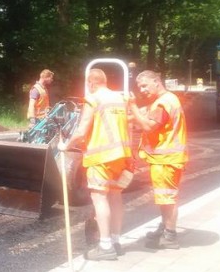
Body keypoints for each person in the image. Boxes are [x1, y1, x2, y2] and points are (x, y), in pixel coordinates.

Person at [58, 68, 133, 260]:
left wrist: (66, 145)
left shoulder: (93, 99)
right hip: (121, 155)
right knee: (116, 197)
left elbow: (82, 130)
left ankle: (105, 246)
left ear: (91, 82)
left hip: (101, 156)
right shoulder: (120, 99)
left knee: (100, 199)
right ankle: (115, 241)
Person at [127, 70, 188, 249]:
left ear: (156, 81)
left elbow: (147, 125)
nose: (142, 90)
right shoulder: (162, 101)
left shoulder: (163, 103)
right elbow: (140, 118)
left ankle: (170, 236)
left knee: (168, 198)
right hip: (165, 159)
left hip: (167, 159)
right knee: (164, 197)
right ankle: (165, 228)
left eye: (144, 85)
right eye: (139, 87)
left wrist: (132, 106)